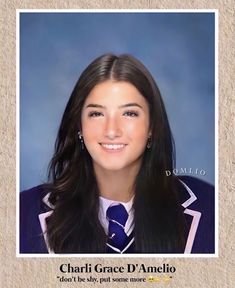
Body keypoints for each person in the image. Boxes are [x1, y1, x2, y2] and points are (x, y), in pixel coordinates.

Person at [20, 53, 215, 254]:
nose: (112, 131)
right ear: (79, 126)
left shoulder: (211, 206)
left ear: (152, 127)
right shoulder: (23, 212)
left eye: (129, 113)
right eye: (96, 114)